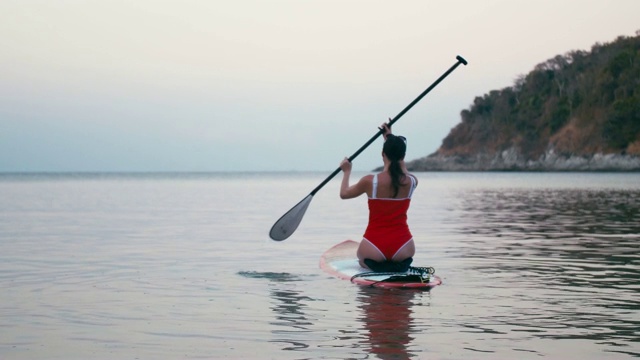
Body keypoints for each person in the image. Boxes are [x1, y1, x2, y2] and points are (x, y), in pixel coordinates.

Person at [339, 121, 418, 272]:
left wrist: (346, 171)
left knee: (361, 258)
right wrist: (389, 138)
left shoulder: (371, 181)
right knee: (402, 257)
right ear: (403, 156)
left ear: (382, 155)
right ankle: (399, 264)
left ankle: (375, 265)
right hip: (404, 247)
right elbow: (402, 168)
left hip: (374, 247)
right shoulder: (412, 181)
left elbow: (344, 194)